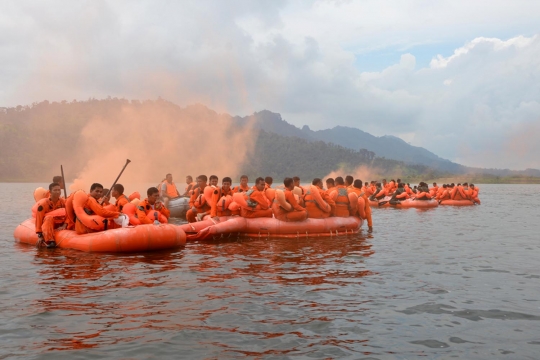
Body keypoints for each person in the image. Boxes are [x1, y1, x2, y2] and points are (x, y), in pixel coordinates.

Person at [35, 182, 66, 248]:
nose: (58, 192)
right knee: (49, 217)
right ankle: (50, 241)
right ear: (50, 192)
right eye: (55, 190)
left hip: (61, 223)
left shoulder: (63, 202)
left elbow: (69, 215)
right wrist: (40, 235)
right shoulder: (43, 204)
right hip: (48, 223)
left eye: (59, 190)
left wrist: (64, 225)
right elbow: (39, 219)